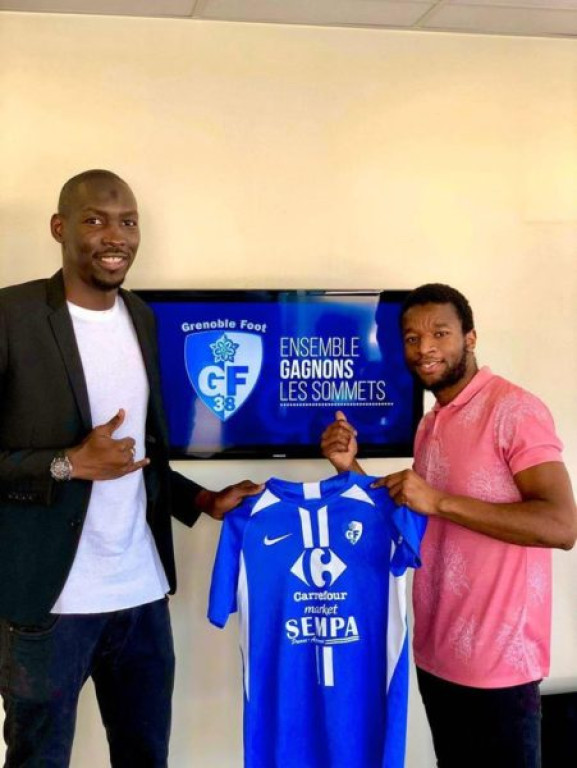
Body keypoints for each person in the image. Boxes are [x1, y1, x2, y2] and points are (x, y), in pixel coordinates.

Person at [0, 169, 262, 768]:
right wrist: (66, 464)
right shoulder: (12, 315)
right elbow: (84, 463)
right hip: (49, 603)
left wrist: (201, 500)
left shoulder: (141, 317)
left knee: (146, 757)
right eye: (95, 220)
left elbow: (138, 455)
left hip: (140, 595)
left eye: (128, 222)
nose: (115, 235)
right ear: (59, 228)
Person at [321, 283, 577, 768]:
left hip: (500, 665)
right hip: (437, 653)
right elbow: (414, 515)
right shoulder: (431, 422)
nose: (425, 348)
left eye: (440, 333)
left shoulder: (515, 410)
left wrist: (438, 501)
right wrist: (349, 468)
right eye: (412, 338)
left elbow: (562, 524)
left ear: (471, 338)